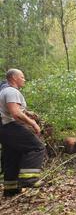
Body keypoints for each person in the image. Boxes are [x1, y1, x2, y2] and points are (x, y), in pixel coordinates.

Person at [0, 69, 45, 197]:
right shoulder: (11, 91)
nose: (24, 79)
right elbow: (15, 113)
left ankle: (10, 189)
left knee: (12, 155)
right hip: (9, 126)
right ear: (14, 78)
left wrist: (27, 112)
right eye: (22, 77)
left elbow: (12, 109)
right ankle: (29, 179)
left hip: (2, 128)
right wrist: (33, 123)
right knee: (37, 147)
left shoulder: (5, 91)